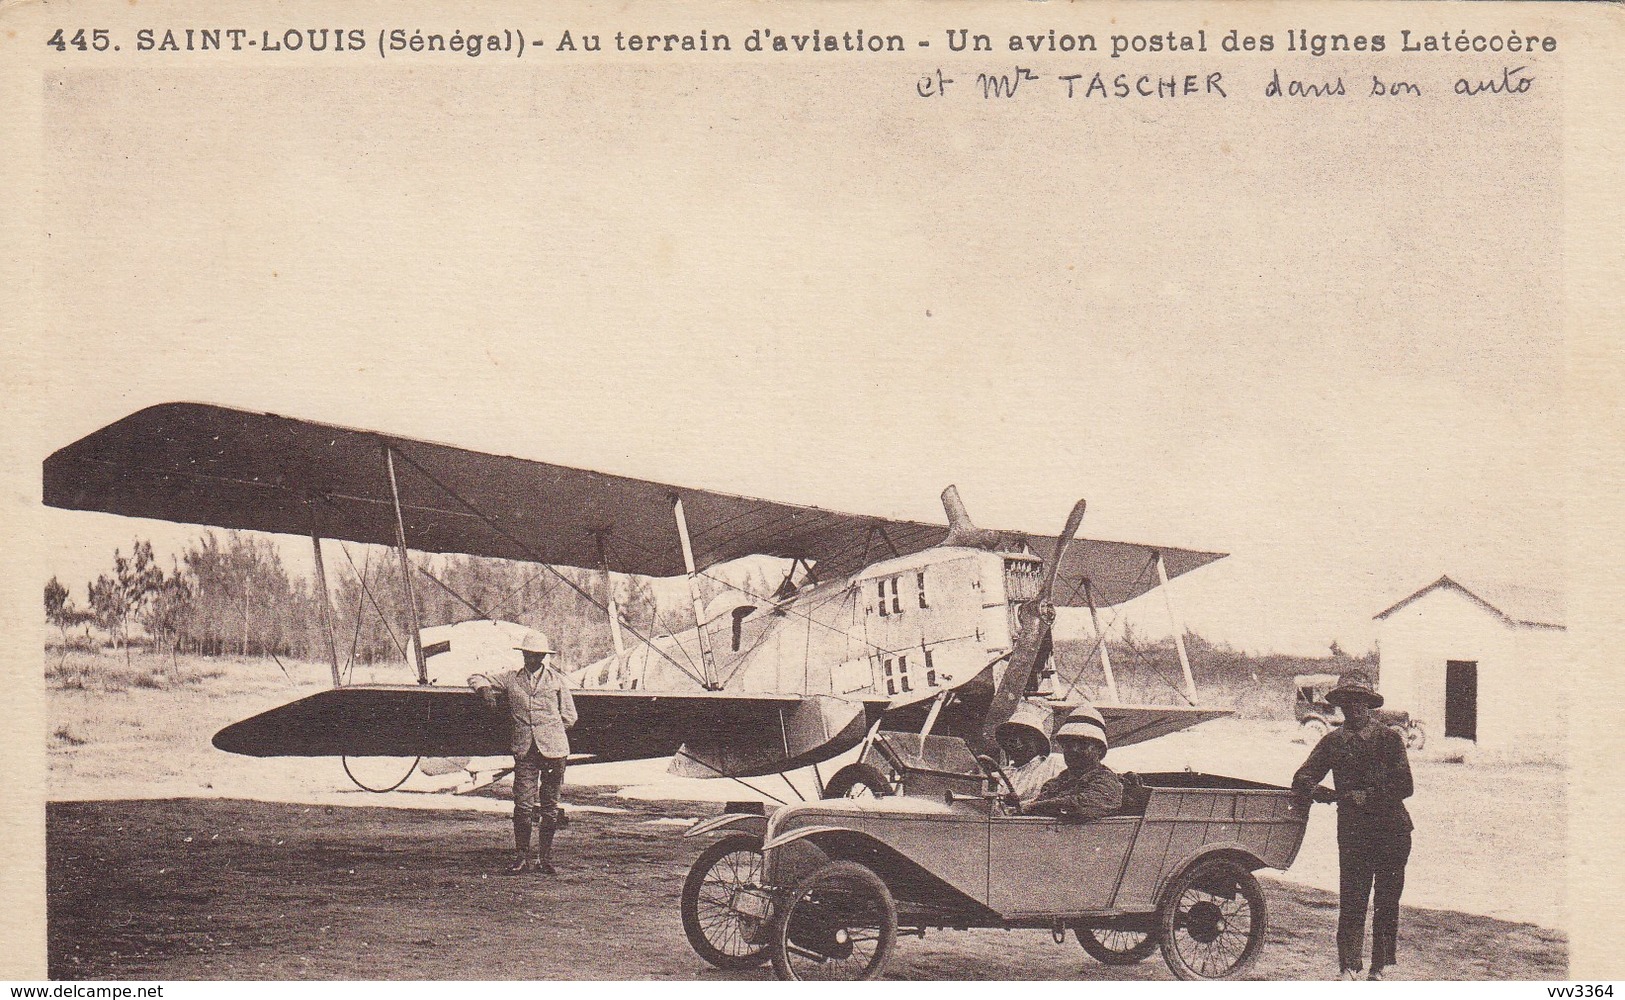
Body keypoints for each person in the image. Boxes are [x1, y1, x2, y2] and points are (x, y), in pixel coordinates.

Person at [1291, 672, 1413, 981]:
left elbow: (1405, 785)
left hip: (1392, 830)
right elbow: (1302, 777)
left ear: (1370, 705)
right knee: (1353, 899)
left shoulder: (1389, 739)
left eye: (1360, 702)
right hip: (1354, 831)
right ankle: (1348, 967)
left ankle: (1380, 966)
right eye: (1348, 702)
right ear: (1341, 706)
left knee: (1386, 900)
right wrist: (1317, 792)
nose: (1354, 708)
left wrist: (1367, 795)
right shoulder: (1333, 741)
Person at [470, 629, 578, 875]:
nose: (532, 660)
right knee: (523, 805)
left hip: (554, 750)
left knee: (550, 805)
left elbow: (570, 717)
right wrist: (484, 690)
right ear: (523, 655)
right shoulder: (510, 678)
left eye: (537, 655)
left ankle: (545, 859)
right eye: (529, 655)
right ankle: (521, 858)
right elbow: (476, 676)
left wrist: (549, 730)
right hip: (525, 750)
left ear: (544, 657)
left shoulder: (557, 680)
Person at [1024, 706, 1124, 822]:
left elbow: (1082, 806)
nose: (1074, 750)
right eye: (1069, 744)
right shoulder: (1058, 781)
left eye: (1083, 744)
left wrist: (1033, 807)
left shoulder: (1106, 781)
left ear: (1099, 750)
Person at [994, 700, 1065, 805]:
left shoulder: (1054, 764)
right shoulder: (1003, 775)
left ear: (1038, 740)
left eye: (1023, 735)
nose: (1016, 742)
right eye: (1011, 737)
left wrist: (1022, 805)